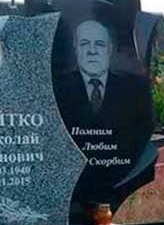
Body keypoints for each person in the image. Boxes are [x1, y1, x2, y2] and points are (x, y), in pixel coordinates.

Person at [54, 19, 153, 191]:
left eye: (99, 44)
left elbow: (144, 126)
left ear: (109, 49)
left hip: (119, 173)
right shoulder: (58, 89)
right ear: (76, 49)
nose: (92, 51)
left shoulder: (132, 88)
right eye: (84, 44)